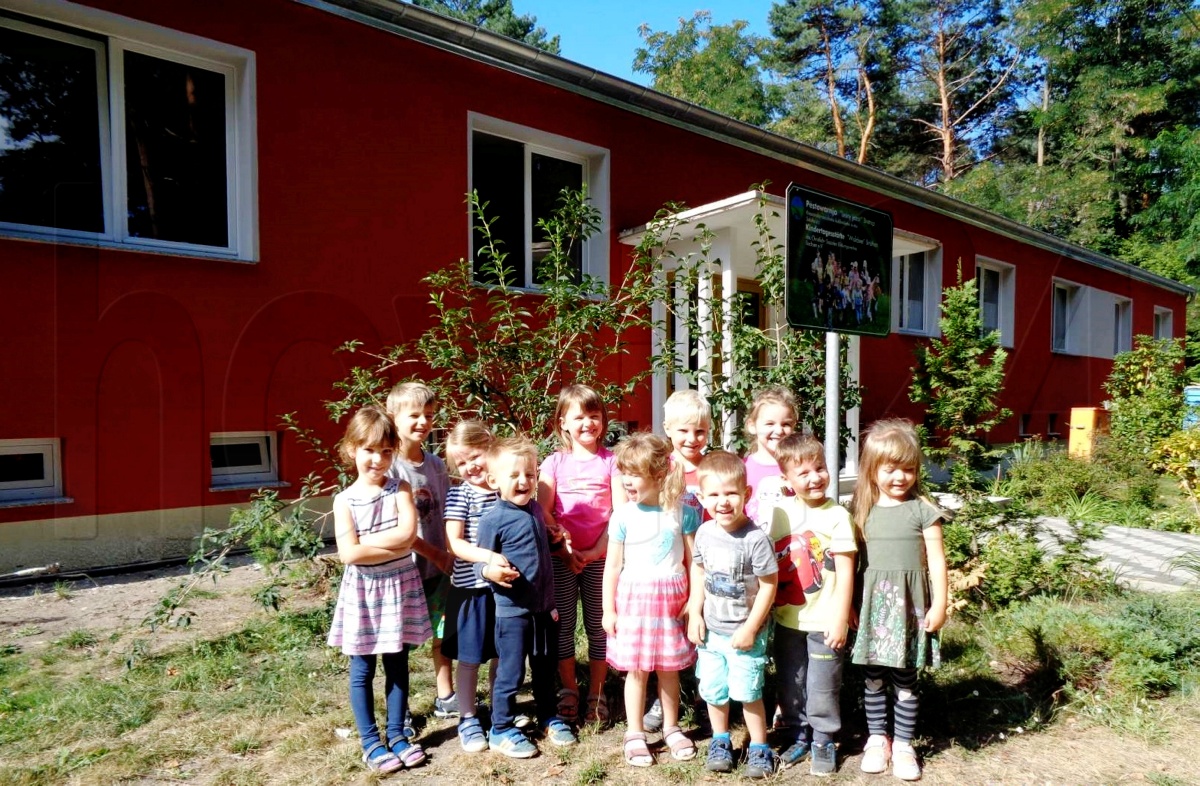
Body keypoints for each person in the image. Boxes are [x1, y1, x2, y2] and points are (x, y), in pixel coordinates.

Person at [326, 406, 430, 773]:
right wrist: (389, 544)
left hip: (399, 587)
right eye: (370, 450)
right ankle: (371, 742)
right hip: (365, 594)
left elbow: (407, 535)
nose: (378, 459)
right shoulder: (344, 501)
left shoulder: (401, 488)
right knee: (362, 669)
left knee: (398, 663)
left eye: (386, 452)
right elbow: (349, 553)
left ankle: (398, 734)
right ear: (352, 449)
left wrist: (371, 542)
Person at [850, 419, 948, 782]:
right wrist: (849, 606)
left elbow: (937, 562)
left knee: (906, 678)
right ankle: (878, 738)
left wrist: (940, 605)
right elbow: (851, 564)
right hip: (873, 608)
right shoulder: (861, 511)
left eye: (908, 469)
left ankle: (904, 744)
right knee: (873, 677)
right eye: (890, 469)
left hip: (910, 609)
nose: (899, 477)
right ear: (872, 469)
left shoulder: (923, 510)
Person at [476, 436, 578, 757]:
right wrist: (488, 570)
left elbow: (541, 551)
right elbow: (482, 560)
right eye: (515, 475)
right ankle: (501, 728)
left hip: (543, 609)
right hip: (512, 613)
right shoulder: (493, 519)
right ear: (494, 480)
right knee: (511, 672)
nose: (524, 481)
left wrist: (556, 538)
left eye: (531, 475)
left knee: (544, 667)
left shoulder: (535, 509)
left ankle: (549, 715)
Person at [602, 432, 700, 767]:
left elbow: (693, 562)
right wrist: (607, 610)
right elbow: (613, 566)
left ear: (659, 474)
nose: (626, 480)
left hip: (672, 601)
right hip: (634, 602)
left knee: (669, 669)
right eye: (623, 473)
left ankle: (671, 727)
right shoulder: (623, 516)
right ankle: (635, 731)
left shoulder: (682, 512)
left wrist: (695, 604)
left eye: (635, 474)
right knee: (638, 670)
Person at [688, 450, 779, 779]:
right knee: (714, 689)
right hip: (712, 633)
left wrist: (751, 628)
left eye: (730, 493)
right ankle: (721, 740)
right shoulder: (704, 533)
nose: (722, 501)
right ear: (701, 497)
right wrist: (694, 613)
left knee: (748, 692)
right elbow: (699, 573)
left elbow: (769, 586)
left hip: (745, 634)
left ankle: (758, 747)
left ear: (746, 495)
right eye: (714, 494)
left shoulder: (755, 539)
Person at [538, 384, 626, 725]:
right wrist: (565, 547)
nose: (588, 423)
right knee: (563, 628)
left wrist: (593, 551)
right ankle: (570, 688)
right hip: (562, 559)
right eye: (579, 417)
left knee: (598, 625)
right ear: (563, 423)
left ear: (603, 420)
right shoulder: (554, 462)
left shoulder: (612, 462)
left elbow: (619, 513)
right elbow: (543, 510)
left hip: (602, 559)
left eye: (595, 415)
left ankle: (597, 693)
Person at [769, 435, 856, 776]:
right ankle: (797, 733)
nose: (815, 477)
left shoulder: (837, 516)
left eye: (819, 468)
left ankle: (823, 739)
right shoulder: (780, 514)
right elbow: (771, 564)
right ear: (786, 480)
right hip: (788, 618)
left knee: (822, 684)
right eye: (803, 472)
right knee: (791, 681)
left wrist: (840, 618)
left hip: (824, 621)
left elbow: (846, 573)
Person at [386, 382, 456, 730]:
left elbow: (446, 513)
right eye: (413, 415)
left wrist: (448, 554)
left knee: (443, 633)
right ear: (393, 417)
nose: (423, 422)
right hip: (405, 571)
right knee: (401, 644)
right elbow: (399, 529)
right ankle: (400, 712)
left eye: (428, 415)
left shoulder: (437, 465)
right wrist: (434, 553)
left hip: (439, 569)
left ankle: (446, 696)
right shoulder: (390, 468)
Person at [643, 389, 712, 732]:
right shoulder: (663, 471)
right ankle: (664, 698)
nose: (692, 438)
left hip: (710, 565)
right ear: (668, 429)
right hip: (671, 567)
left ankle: (705, 695)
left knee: (706, 631)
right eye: (684, 430)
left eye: (699, 431)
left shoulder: (714, 468)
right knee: (668, 633)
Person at [442, 420, 506, 752]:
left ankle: (500, 712)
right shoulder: (459, 494)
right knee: (469, 658)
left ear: (491, 447)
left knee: (502, 655)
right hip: (471, 593)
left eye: (475, 456)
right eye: (461, 463)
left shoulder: (506, 488)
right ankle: (467, 717)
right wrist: (488, 559)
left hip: (505, 592)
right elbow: (454, 543)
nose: (470, 468)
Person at [743, 386, 799, 533]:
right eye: (770, 424)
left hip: (791, 547)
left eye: (786, 424)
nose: (779, 431)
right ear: (752, 426)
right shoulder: (742, 468)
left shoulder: (799, 466)